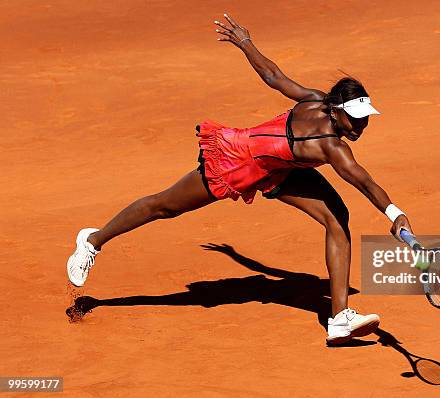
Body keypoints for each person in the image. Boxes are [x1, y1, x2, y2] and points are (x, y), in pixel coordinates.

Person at [67, 14, 413, 345]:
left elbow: (275, 76)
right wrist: (394, 213)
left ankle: (339, 319)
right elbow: (363, 181)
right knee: (165, 206)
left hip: (280, 171)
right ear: (335, 110)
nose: (361, 127)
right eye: (355, 119)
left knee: (337, 217)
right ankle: (94, 240)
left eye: (365, 119)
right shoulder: (333, 148)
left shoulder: (317, 101)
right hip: (237, 162)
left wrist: (247, 42)